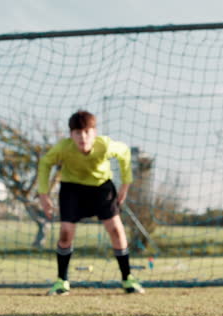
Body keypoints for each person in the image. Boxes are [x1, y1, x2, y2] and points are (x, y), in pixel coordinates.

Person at [37, 110, 144, 295]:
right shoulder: (64, 148)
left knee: (116, 230)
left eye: (87, 132)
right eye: (78, 133)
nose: (83, 137)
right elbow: (45, 163)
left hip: (101, 188)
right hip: (72, 189)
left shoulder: (105, 145)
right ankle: (62, 281)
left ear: (94, 132)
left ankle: (128, 279)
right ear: (71, 135)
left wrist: (126, 184)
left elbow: (124, 152)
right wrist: (43, 195)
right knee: (65, 233)